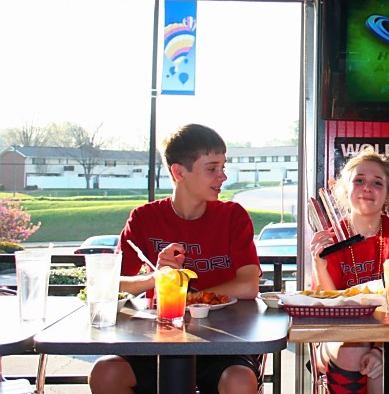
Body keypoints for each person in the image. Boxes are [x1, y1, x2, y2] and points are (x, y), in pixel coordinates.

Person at [88, 124, 262, 394]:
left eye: (223, 167)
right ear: (179, 172)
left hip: (225, 340)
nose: (223, 176)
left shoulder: (232, 216)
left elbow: (249, 285)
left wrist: (192, 299)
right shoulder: (144, 218)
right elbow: (109, 285)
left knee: (239, 382)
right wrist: (155, 277)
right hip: (157, 339)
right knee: (105, 374)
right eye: (212, 168)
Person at [310, 146, 389, 393]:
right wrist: (319, 264)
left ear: (388, 193)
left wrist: (380, 347)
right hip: (338, 334)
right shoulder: (330, 239)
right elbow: (328, 307)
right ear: (345, 189)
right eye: (359, 180)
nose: (367, 188)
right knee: (354, 348)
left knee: (386, 362)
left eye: (377, 183)